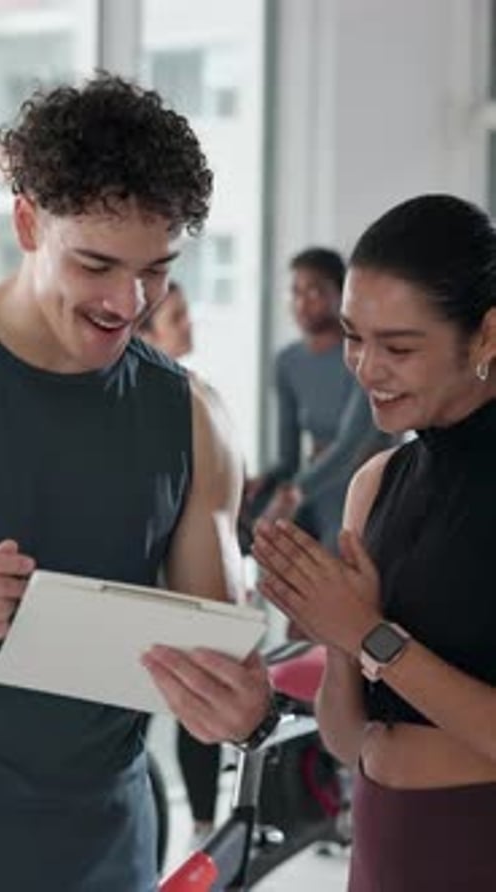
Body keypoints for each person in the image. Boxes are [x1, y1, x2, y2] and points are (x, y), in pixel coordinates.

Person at [0, 72, 270, 892]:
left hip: (102, 847)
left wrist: (243, 709)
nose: (131, 301)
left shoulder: (192, 419)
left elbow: (215, 657)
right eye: (97, 264)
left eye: (159, 270)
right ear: (28, 223)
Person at [251, 194, 496, 889]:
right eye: (355, 335)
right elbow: (346, 739)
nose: (364, 368)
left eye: (399, 347)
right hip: (384, 840)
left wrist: (370, 636)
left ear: (485, 336)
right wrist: (337, 636)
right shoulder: (376, 481)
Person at [139, 279, 221, 849]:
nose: (189, 325)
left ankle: (203, 827)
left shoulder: (198, 404)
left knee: (201, 703)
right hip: (144, 603)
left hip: (190, 599)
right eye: (178, 316)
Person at [245, 247, 388, 547]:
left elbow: (352, 445)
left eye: (315, 291)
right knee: (256, 528)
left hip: (362, 484)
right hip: (314, 485)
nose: (302, 302)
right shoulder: (287, 361)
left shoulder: (363, 354)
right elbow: (288, 458)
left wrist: (294, 491)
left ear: (341, 295)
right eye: (295, 292)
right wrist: (266, 482)